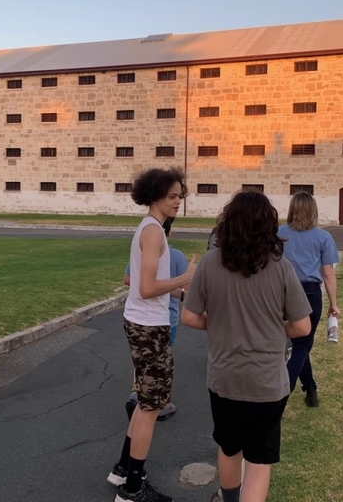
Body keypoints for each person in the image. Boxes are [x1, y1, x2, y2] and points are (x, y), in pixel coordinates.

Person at [181, 191, 311, 502]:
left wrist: (224, 323)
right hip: (266, 381)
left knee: (229, 448)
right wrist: (271, 327)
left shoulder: (211, 263)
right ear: (268, 225)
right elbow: (302, 326)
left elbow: (189, 316)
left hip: (224, 378)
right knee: (258, 460)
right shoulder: (281, 267)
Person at [108, 167, 196, 502]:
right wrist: (186, 275)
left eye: (180, 196)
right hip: (149, 328)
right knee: (150, 407)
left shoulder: (151, 229)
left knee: (145, 402)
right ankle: (132, 490)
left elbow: (152, 285)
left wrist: (183, 293)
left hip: (142, 323)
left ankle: (121, 470)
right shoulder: (154, 233)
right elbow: (146, 288)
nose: (178, 202)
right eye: (173, 196)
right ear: (155, 195)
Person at [278, 192, 340, 408]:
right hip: (309, 292)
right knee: (302, 346)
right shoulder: (322, 237)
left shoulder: (280, 233)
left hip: (283, 292)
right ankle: (282, 393)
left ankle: (310, 388)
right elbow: (328, 273)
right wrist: (333, 304)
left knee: (299, 344)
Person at [123, 216, 187, 421]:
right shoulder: (171, 251)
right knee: (160, 369)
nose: (178, 201)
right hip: (160, 319)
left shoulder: (147, 239)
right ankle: (161, 402)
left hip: (146, 318)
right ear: (169, 233)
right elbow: (148, 288)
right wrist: (184, 281)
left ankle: (139, 392)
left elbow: (129, 279)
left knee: (144, 363)